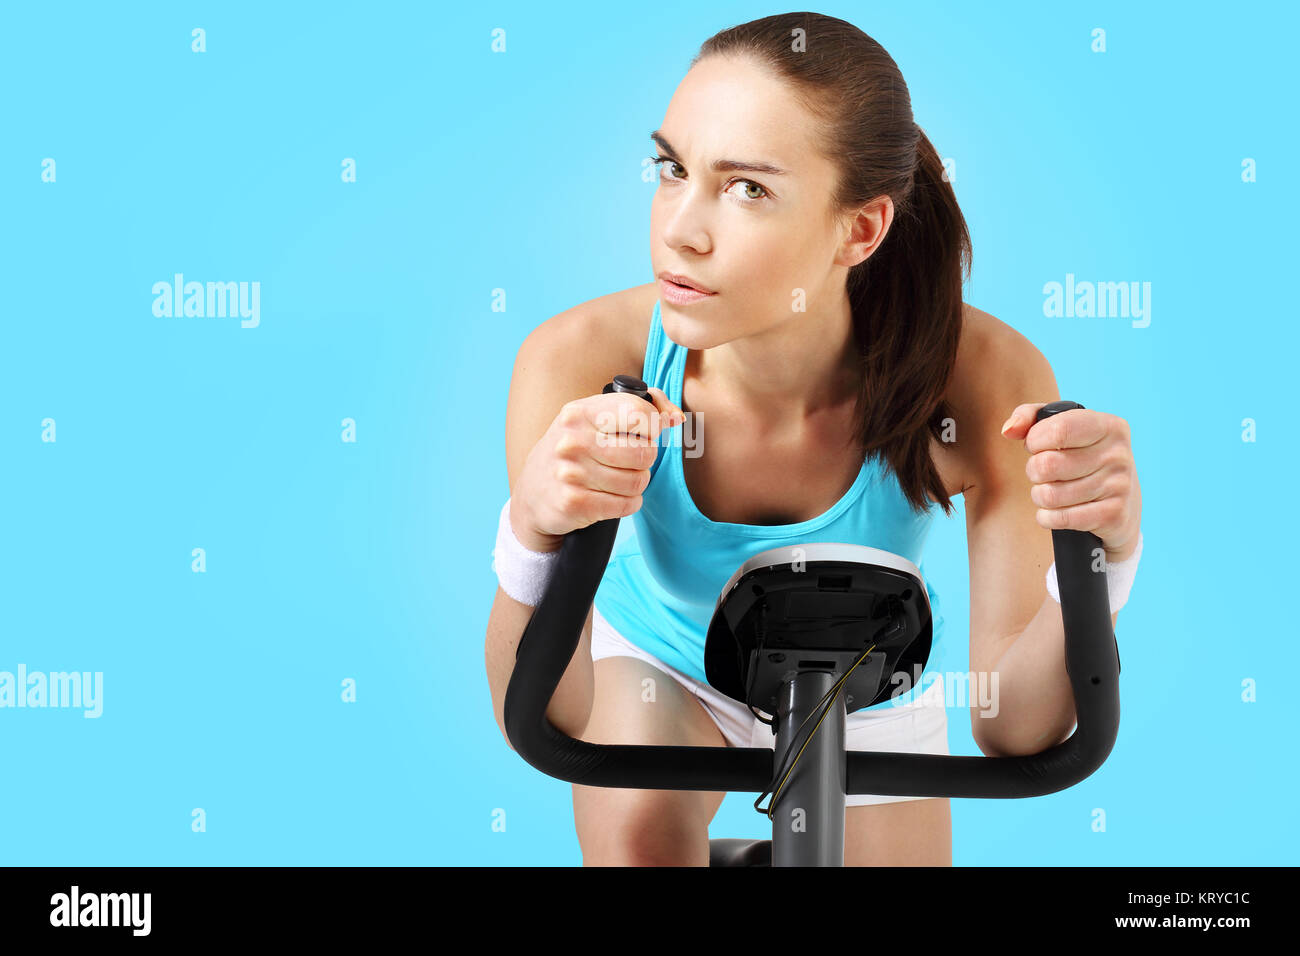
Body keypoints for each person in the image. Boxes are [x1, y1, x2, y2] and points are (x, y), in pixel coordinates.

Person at [485, 12, 1143, 867]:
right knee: (643, 835)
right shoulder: (577, 361)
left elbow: (1016, 728)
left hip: (866, 688)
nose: (680, 230)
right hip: (666, 669)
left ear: (860, 230)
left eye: (747, 188)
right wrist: (532, 532)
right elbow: (549, 713)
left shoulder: (983, 378)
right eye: (673, 169)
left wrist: (1103, 561)